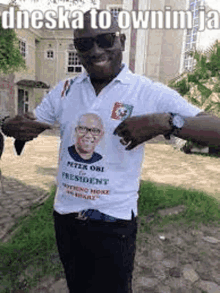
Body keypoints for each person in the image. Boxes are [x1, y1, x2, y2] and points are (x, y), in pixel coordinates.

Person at [2, 9, 220, 293]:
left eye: (105, 39)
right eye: (83, 44)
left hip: (113, 223)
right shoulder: (64, 90)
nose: (95, 50)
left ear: (122, 40)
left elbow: (214, 128)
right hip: (66, 217)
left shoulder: (146, 92)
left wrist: (163, 121)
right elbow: (26, 125)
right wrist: (8, 124)